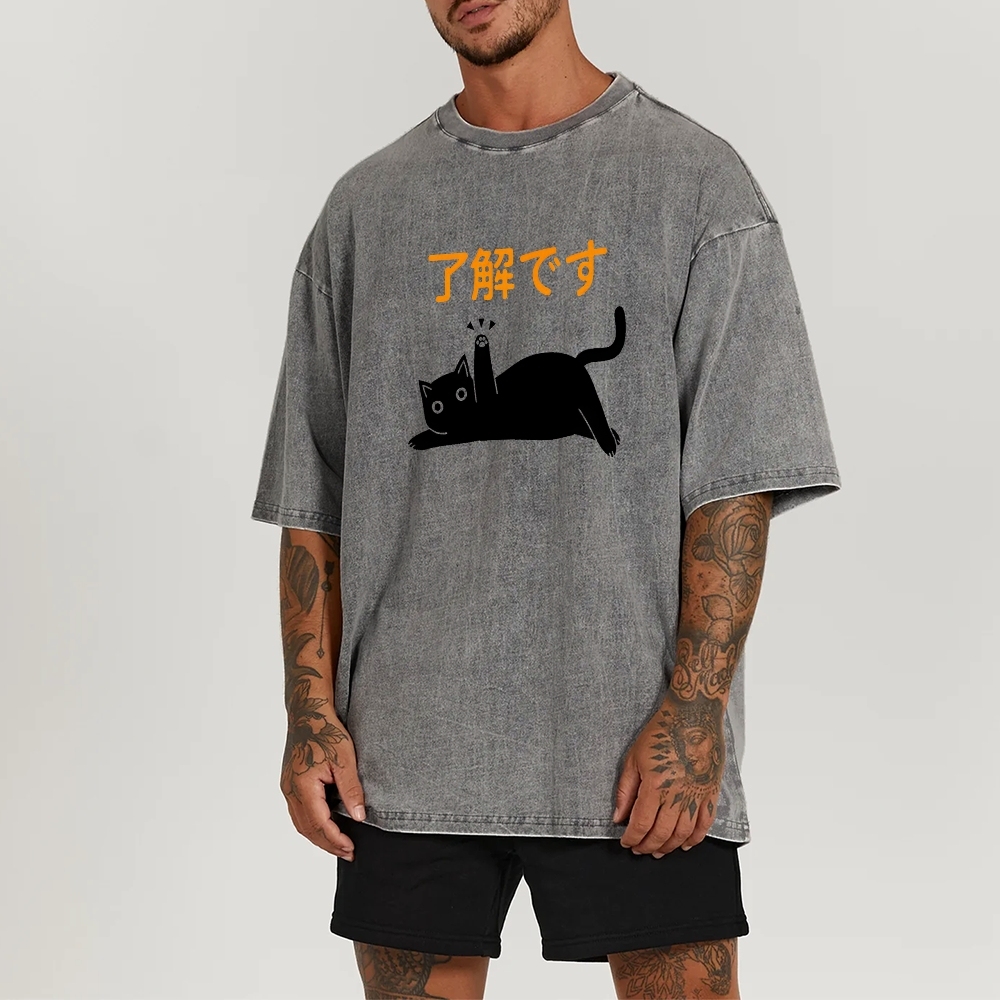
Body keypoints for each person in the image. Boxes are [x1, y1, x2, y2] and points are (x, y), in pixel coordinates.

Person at [251, 1, 841, 997]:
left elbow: (734, 481)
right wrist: (310, 711)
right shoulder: (366, 208)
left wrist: (693, 711)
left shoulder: (696, 184)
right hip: (404, 756)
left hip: (635, 748)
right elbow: (315, 490)